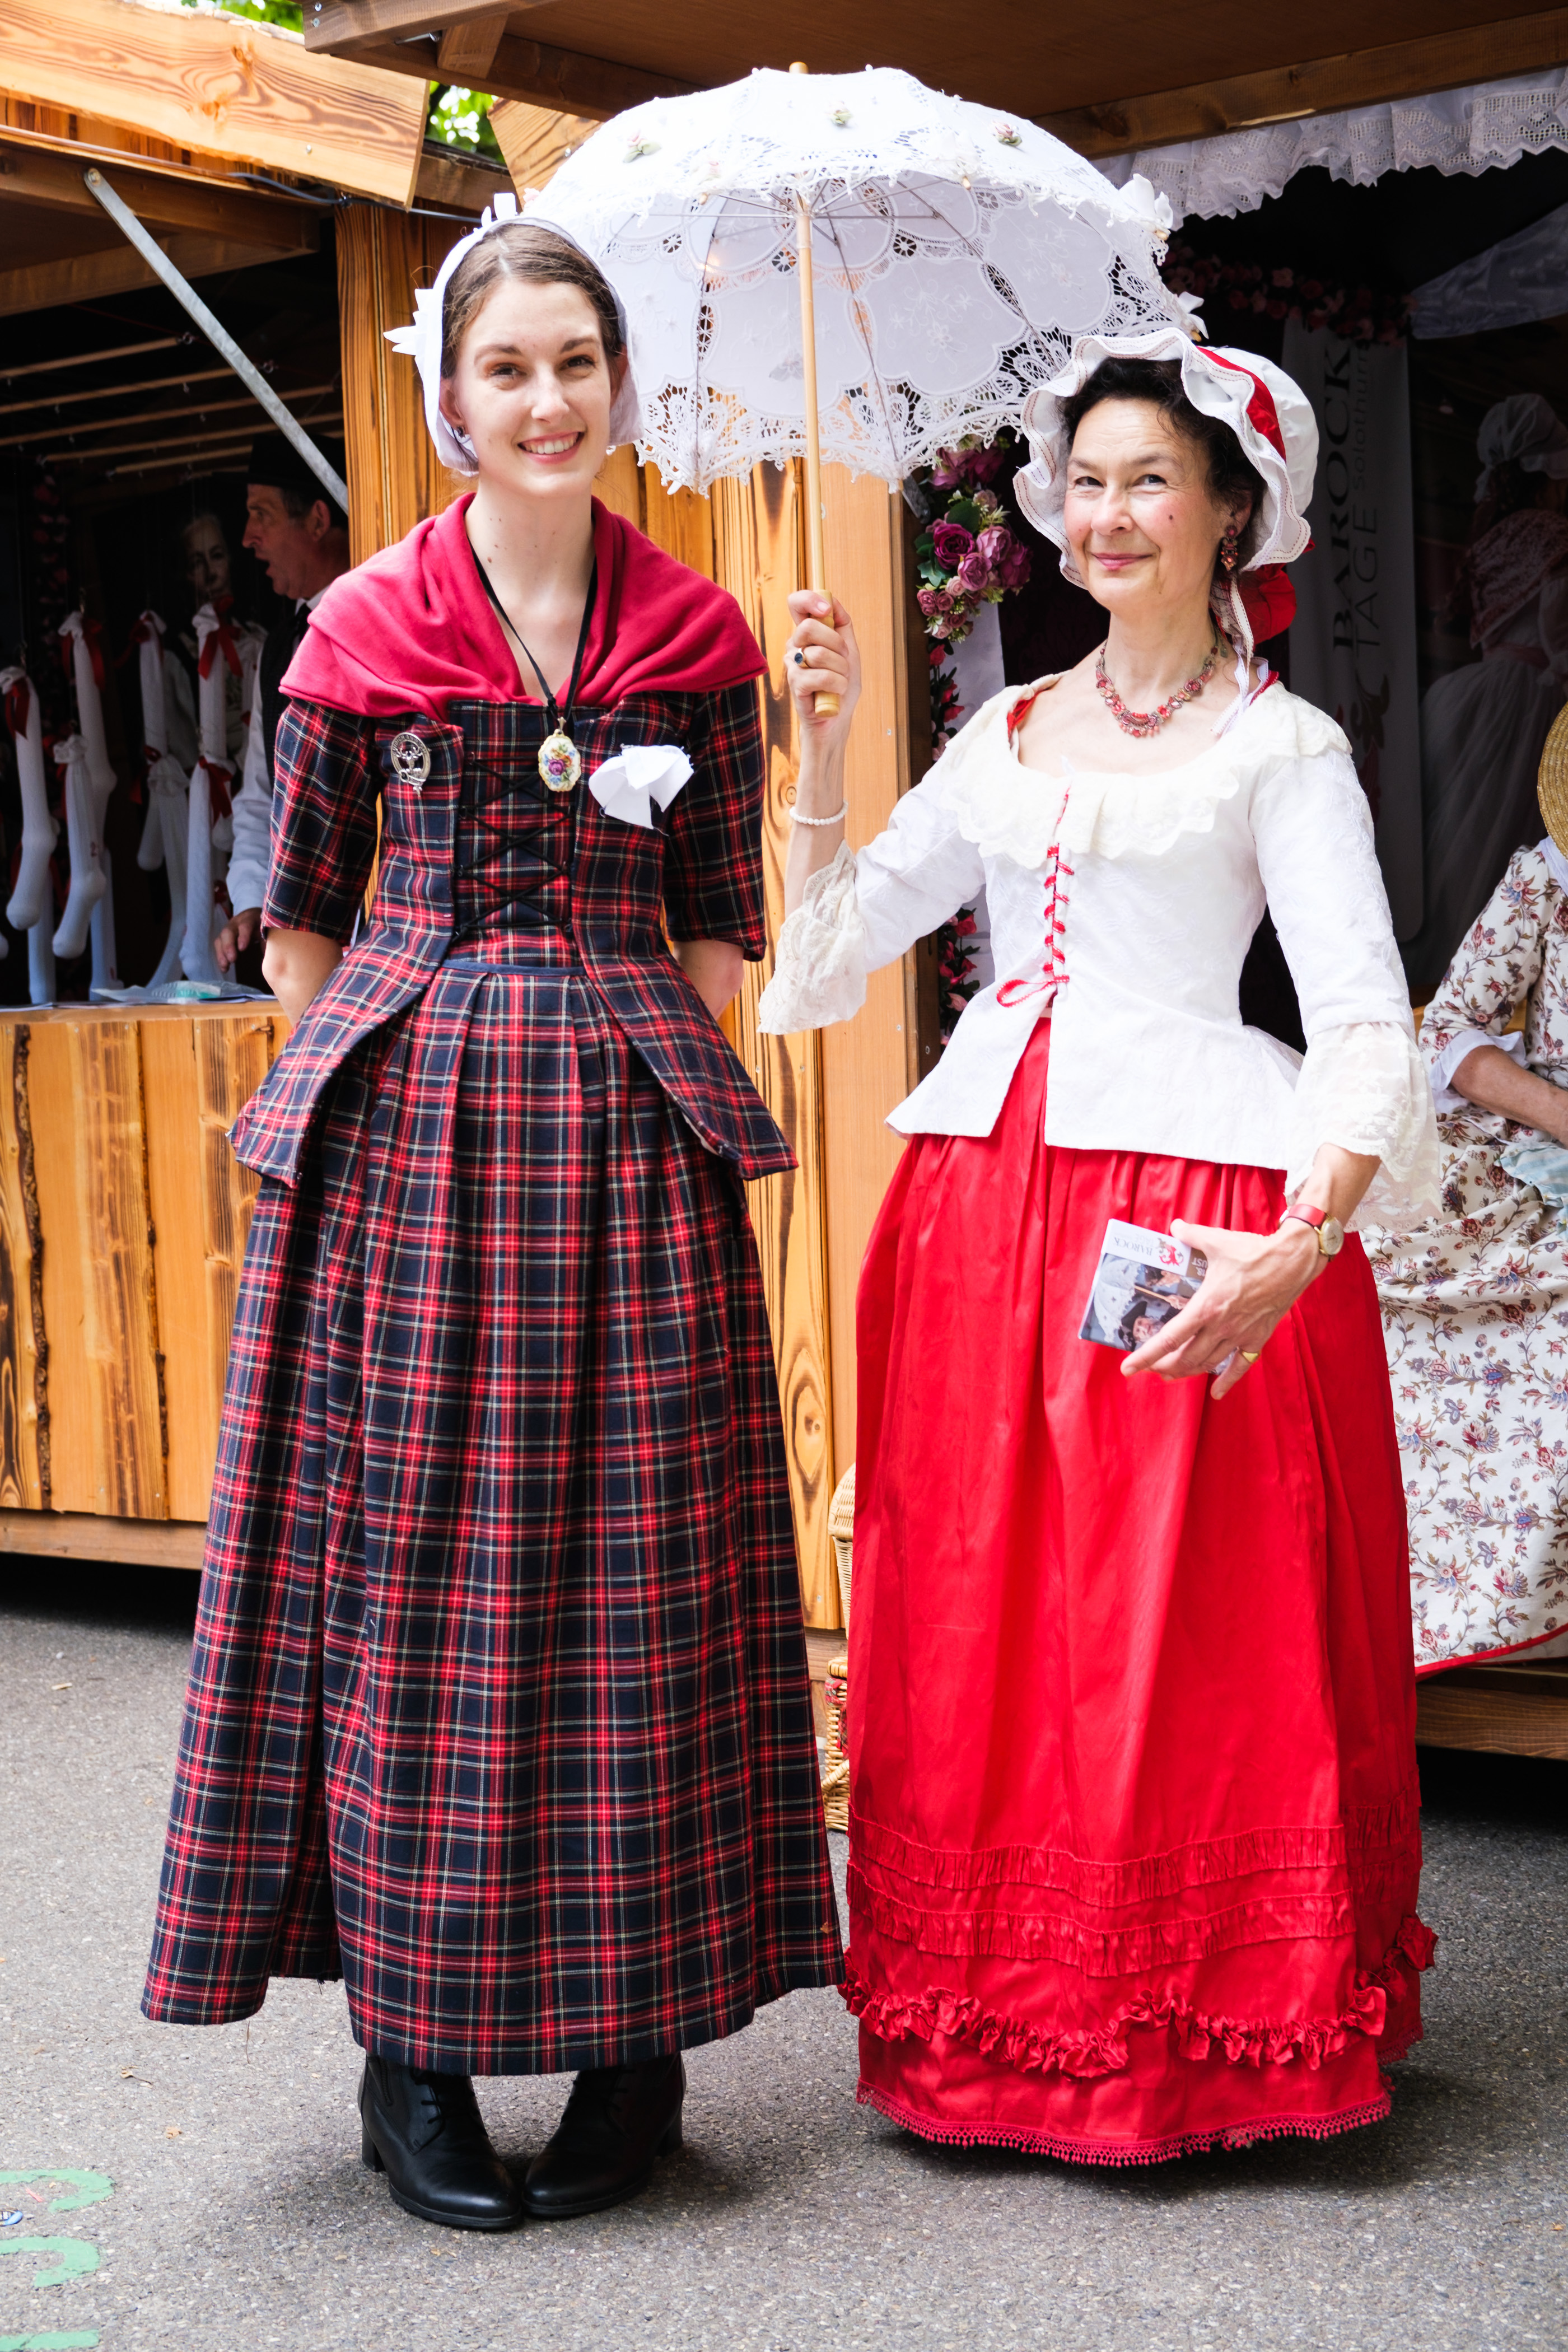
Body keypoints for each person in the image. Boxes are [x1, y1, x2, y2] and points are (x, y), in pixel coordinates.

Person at [142, 209, 842, 2230]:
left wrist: (806, 736)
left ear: (620, 389)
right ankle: (412, 2056)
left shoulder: (701, 636)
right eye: (508, 366)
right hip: (416, 1169)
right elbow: (293, 921)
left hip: (629, 1156)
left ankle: (637, 2047)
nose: (546, 400)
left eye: (576, 362)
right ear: (450, 399)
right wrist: (419, 1076)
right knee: (420, 1597)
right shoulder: (363, 626)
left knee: (646, 1587)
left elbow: (724, 918)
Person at [760, 326, 1441, 2165]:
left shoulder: (1283, 749)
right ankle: (1001, 2021)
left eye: (1153, 477)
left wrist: (1299, 1249)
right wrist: (820, 749)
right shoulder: (998, 734)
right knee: (990, 1616)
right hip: (980, 1216)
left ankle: (1192, 2034)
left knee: (1169, 1636)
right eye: (1085, 478)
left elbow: (1368, 1025)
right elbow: (822, 962)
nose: (1109, 509)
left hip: (1190, 1210)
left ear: (1233, 510)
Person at [1368, 795, 1568, 1670]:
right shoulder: (1545, 879)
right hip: (1547, 1130)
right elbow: (1448, 1030)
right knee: (1379, 1231)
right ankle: (1403, 1609)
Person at [1404, 394, 1568, 997]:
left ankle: (1444, 990)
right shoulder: (1553, 535)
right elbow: (1557, 630)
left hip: (1475, 694)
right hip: (1533, 697)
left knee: (1464, 843)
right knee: (1516, 842)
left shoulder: (1491, 539)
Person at [216, 435, 351, 974]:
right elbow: (259, 797)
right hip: (301, 955)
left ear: (318, 520)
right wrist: (250, 899)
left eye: (262, 515)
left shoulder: (390, 627)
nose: (247, 538)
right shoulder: (277, 649)